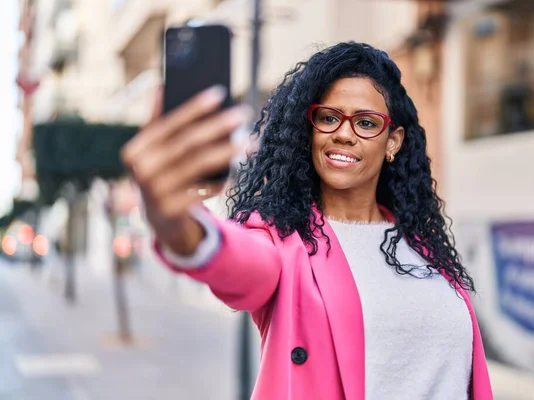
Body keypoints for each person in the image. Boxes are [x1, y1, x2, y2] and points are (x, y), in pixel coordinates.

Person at [122, 42, 492, 400]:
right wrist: (181, 227)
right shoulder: (283, 240)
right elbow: (239, 263)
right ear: (309, 129)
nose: (344, 134)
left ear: (392, 141)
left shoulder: (419, 241)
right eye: (329, 118)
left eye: (366, 122)